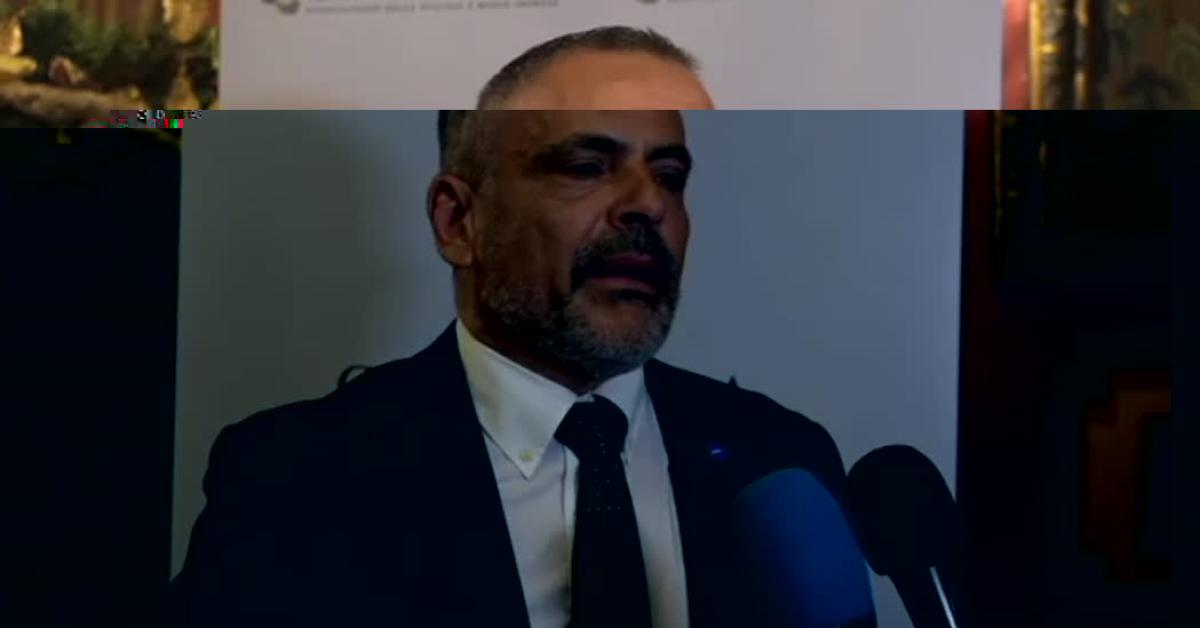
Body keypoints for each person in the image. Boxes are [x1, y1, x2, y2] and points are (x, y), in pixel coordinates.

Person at [170, 28, 848, 628]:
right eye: (586, 167)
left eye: (669, 176)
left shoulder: (778, 459)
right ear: (459, 223)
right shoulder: (294, 478)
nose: (649, 204)